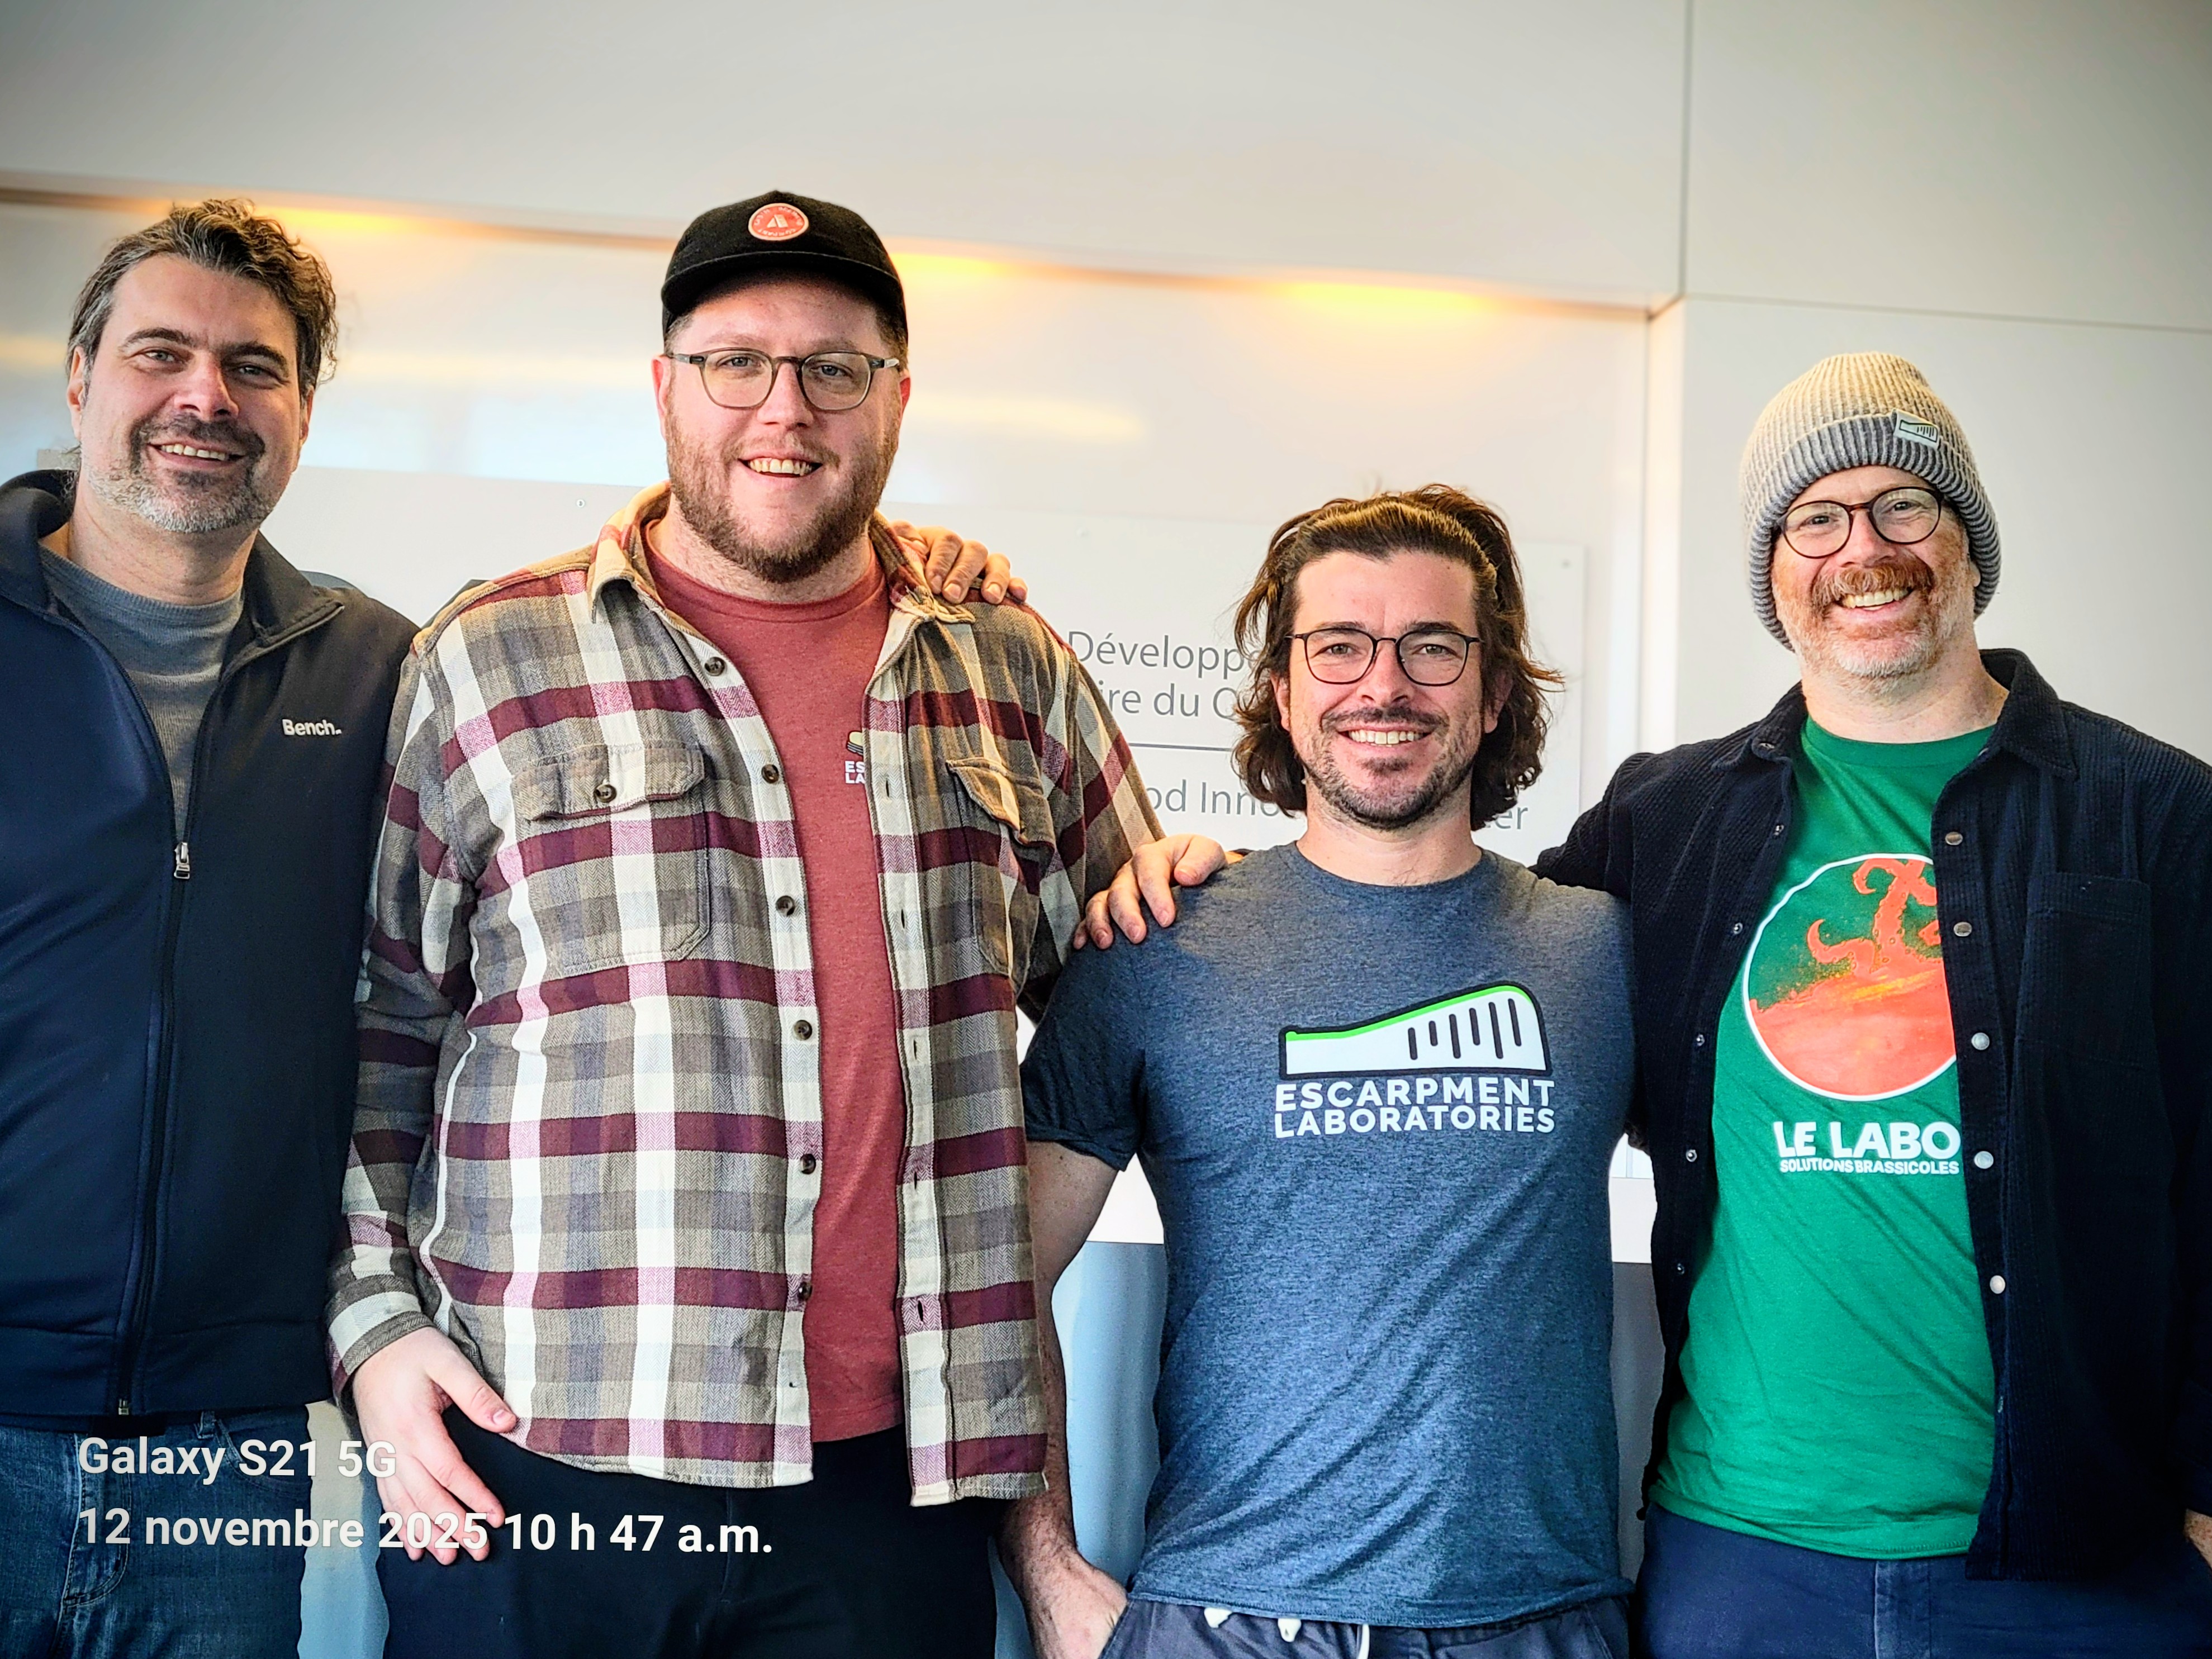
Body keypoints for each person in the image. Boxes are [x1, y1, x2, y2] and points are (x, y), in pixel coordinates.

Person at [1089, 355, 2212, 1657]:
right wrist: (1225, 886)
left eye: (1904, 506)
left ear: (1967, 544)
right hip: (1743, 1556)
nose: (1863, 551)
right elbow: (1435, 923)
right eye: (1815, 519)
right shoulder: (1670, 821)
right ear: (1771, 570)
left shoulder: (2151, 817)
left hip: (2079, 1560)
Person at [330, 189, 1161, 1659]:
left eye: (834, 367)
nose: (785, 407)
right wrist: (372, 1329)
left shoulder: (1007, 670)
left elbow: (1142, 995)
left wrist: (1219, 888)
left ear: (895, 398)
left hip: (891, 1488)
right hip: (538, 1463)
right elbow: (377, 1024)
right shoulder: (488, 657)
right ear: (664, 388)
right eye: (736, 363)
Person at [1005, 487, 1634, 1659]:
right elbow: (1000, 1271)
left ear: (1495, 691)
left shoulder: (1600, 949)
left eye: (1432, 647)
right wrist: (1047, 1570)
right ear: (1282, 691)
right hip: (1229, 1620)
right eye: (1337, 646)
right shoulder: (1155, 943)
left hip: (1536, 1621)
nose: (1382, 685)